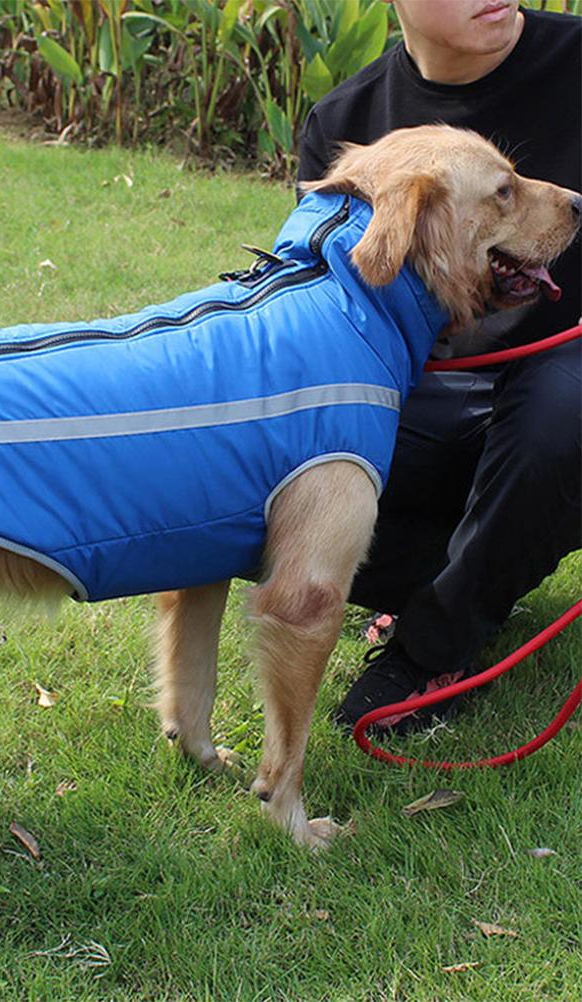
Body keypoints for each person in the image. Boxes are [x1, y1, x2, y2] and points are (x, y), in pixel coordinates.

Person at [295, 0, 581, 734]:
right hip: (417, 384)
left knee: (560, 415)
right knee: (295, 458)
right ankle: (473, 570)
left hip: (562, 378)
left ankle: (430, 653)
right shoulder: (344, 121)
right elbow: (325, 309)